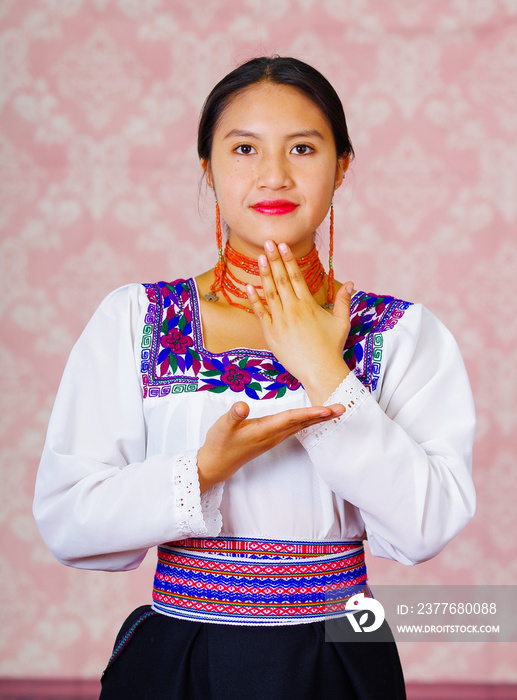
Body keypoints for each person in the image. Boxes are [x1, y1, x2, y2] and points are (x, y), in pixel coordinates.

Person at [33, 56, 476, 699]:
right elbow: (68, 520)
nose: (274, 175)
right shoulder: (137, 319)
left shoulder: (402, 332)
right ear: (207, 169)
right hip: (179, 655)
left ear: (342, 166)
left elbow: (426, 526)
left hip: (344, 653)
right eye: (244, 149)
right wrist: (202, 472)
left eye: (303, 147)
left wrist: (325, 371)